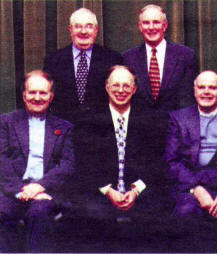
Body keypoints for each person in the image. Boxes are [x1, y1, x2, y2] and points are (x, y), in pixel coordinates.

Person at [74, 65, 168, 252]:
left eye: (126, 86)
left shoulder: (149, 120)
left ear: (134, 89)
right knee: (91, 217)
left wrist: (135, 191)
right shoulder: (90, 120)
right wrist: (109, 191)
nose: (121, 90)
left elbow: (156, 161)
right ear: (107, 87)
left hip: (140, 194)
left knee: (156, 217)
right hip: (102, 193)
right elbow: (86, 163)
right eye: (116, 85)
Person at [164, 70, 217, 252]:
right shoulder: (178, 118)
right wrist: (197, 190)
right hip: (193, 184)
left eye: (212, 87)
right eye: (201, 87)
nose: (206, 92)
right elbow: (172, 161)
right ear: (194, 91)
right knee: (185, 212)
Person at [0, 70, 74, 252]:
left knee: (39, 213)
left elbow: (67, 164)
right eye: (32, 92)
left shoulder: (63, 127)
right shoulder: (7, 122)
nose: (37, 97)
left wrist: (39, 187)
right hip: (15, 192)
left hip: (46, 192)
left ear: (51, 96)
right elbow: (1, 160)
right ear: (24, 96)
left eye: (43, 93)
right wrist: (21, 191)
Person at [123, 4, 198, 165]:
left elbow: (188, 101)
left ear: (165, 26)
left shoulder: (185, 56)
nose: (151, 27)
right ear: (140, 26)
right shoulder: (128, 58)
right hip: (139, 141)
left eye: (156, 22)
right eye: (146, 23)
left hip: (176, 139)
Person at [44, 7, 123, 123]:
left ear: (96, 30)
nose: (83, 31)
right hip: (64, 132)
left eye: (89, 26)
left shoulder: (112, 59)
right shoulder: (53, 61)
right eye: (78, 26)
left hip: (101, 131)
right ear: (70, 29)